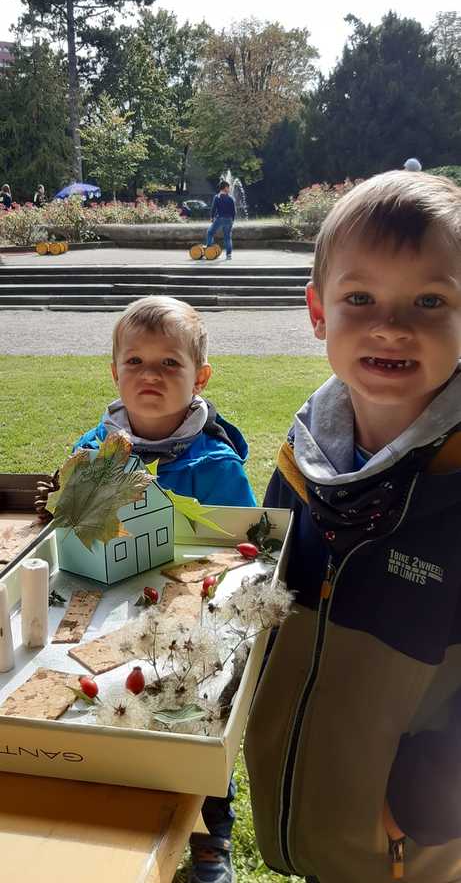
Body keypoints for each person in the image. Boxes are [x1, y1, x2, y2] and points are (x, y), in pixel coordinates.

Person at [245, 169, 461, 883]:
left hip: (409, 852)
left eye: (429, 300)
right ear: (318, 311)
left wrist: (421, 803)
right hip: (318, 813)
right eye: (359, 298)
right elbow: (262, 588)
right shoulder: (304, 455)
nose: (391, 326)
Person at [73, 294, 256, 883]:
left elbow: (243, 549)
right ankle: (126, 801)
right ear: (114, 372)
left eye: (169, 363)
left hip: (192, 618)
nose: (149, 374)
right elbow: (75, 526)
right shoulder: (94, 450)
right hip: (112, 606)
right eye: (136, 361)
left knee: (200, 716)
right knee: (117, 703)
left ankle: (211, 832)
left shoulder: (217, 464)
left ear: (199, 377)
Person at [206, 181, 236, 260]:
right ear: (225, 188)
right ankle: (228, 255)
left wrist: (212, 217)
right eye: (228, 187)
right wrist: (232, 220)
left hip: (220, 218)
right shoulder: (230, 198)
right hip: (229, 219)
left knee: (210, 232)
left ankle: (209, 250)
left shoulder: (217, 197)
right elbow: (233, 211)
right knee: (227, 237)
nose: (229, 189)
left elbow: (213, 208)